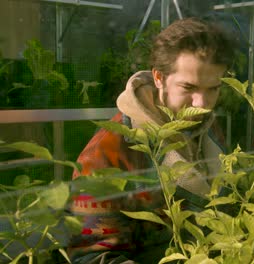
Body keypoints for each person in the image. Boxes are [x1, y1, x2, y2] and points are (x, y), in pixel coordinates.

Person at [68, 17, 235, 263]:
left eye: (213, 88)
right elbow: (92, 255)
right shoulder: (110, 149)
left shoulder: (205, 128)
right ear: (158, 77)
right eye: (188, 87)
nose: (202, 104)